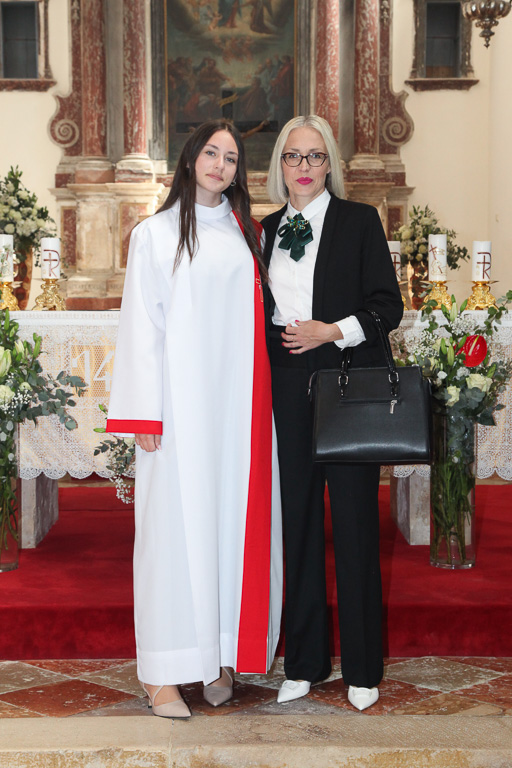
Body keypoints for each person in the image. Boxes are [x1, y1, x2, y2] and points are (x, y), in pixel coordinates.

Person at [106, 119, 282, 719]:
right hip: (178, 413)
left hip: (237, 411)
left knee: (227, 531)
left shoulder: (247, 233)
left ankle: (218, 660)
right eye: (211, 152)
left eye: (231, 158)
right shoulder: (154, 235)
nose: (220, 165)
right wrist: (144, 416)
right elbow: (141, 327)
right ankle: (161, 674)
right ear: (189, 159)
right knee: (171, 537)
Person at [261, 115, 403, 711]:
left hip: (346, 385)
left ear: (330, 164)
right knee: (296, 524)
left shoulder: (359, 221)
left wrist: (330, 331)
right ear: (280, 164)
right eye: (293, 156)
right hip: (286, 388)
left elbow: (387, 307)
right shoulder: (264, 230)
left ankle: (363, 670)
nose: (304, 167)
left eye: (315, 156)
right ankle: (305, 662)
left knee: (353, 524)